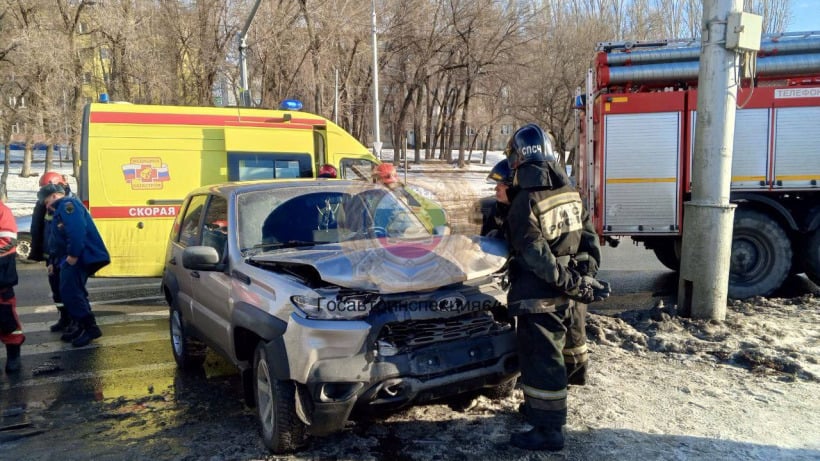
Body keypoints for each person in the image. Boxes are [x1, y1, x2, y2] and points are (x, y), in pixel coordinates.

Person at [502, 123, 610, 451]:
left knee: (541, 360)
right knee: (565, 353)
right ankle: (541, 409)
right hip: (570, 295)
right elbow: (589, 239)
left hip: (540, 297)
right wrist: (581, 280)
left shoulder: (525, 201)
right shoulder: (569, 192)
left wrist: (569, 282)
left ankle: (548, 431)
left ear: (518, 158)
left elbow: (536, 257)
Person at [38, 183, 111, 348]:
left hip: (80, 257)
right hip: (69, 258)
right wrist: (53, 262)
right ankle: (82, 326)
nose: (45, 204)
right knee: (72, 292)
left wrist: (73, 255)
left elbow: (76, 231)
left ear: (55, 195)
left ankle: (90, 328)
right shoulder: (59, 210)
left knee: (71, 292)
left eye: (46, 200)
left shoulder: (68, 205)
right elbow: (56, 241)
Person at [29, 171, 74, 332]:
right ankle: (64, 318)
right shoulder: (44, 204)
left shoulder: (68, 204)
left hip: (65, 257)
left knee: (69, 291)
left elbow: (73, 234)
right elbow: (39, 228)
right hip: (51, 257)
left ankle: (75, 322)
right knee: (56, 291)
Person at [372, 163, 447, 233]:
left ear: (381, 179)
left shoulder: (390, 196)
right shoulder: (404, 191)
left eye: (377, 178)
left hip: (414, 234)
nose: (376, 182)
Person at [0, 200, 23, 373]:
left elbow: (8, 241)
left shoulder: (2, 211)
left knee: (6, 317)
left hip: (1, 274)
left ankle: (13, 355)